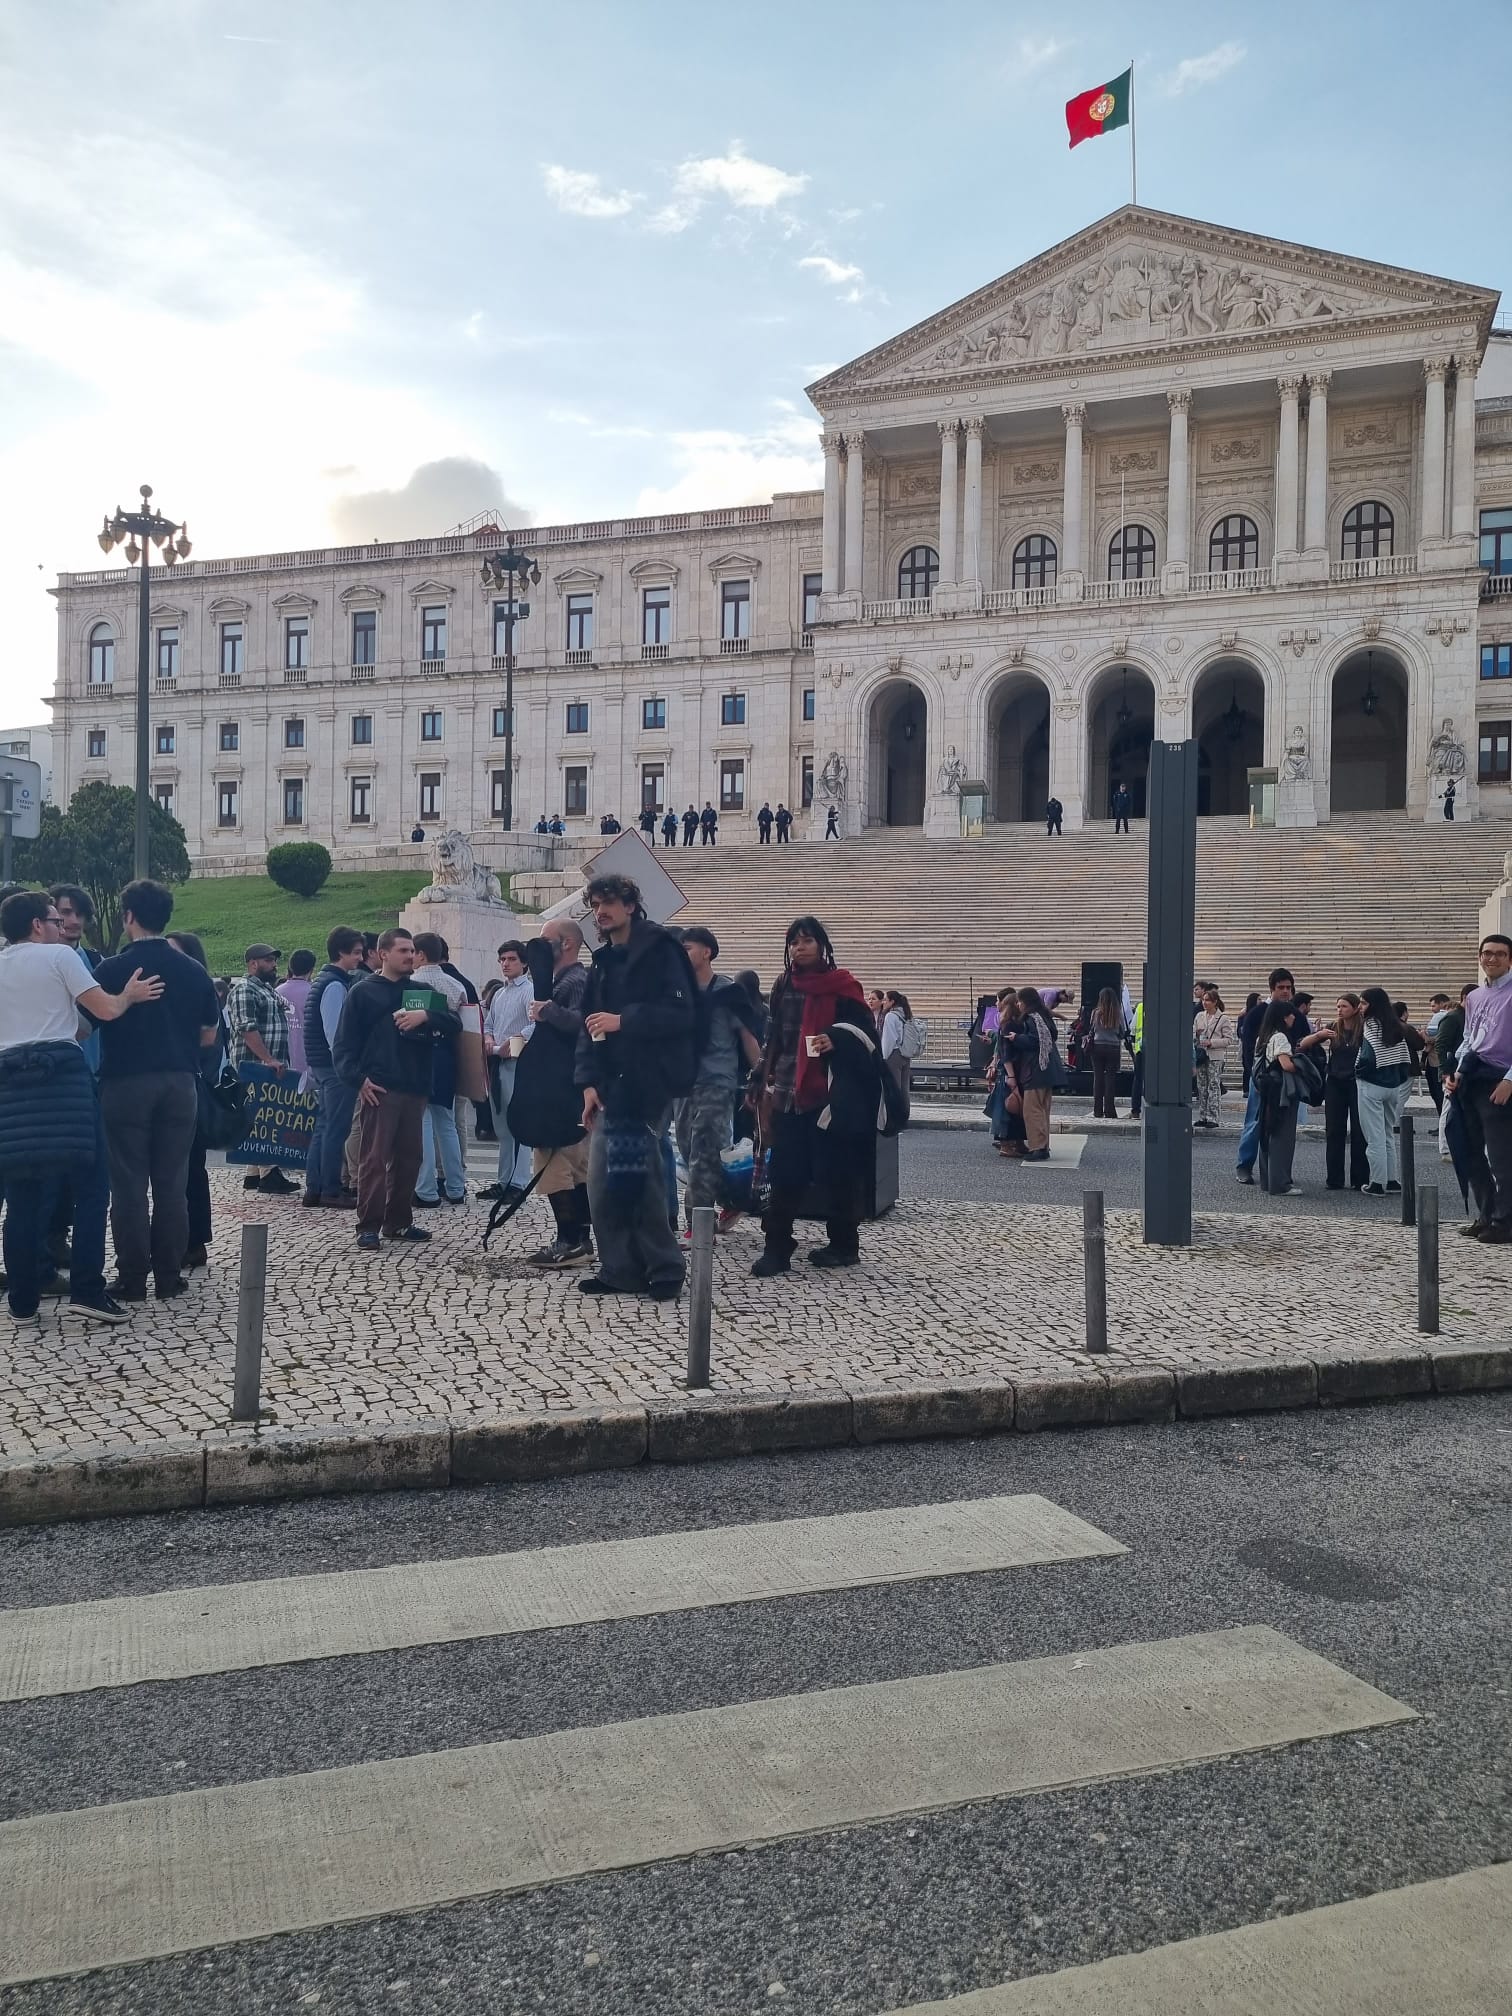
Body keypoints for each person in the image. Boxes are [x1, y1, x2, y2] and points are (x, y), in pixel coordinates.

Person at [0, 890, 163, 1323]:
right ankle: (88, 1289)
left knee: (22, 1195)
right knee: (91, 1185)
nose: (62, 927)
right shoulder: (60, 957)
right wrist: (129, 995)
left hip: (10, 1081)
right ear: (37, 925)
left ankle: (22, 1301)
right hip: (62, 1078)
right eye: (55, 920)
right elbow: (104, 1011)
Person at [92, 879, 221, 1304]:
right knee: (172, 1183)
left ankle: (131, 1277)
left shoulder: (110, 970)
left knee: (128, 1184)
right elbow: (208, 1035)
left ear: (128, 916)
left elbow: (83, 1025)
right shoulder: (193, 970)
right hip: (180, 1082)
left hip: (125, 1081)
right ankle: (169, 1276)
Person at [573, 873, 696, 1299]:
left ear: (630, 905)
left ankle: (664, 1268)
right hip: (611, 1083)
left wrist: (624, 1020)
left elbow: (683, 1014)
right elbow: (588, 1026)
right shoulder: (603, 960)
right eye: (595, 905)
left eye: (608, 902)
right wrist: (588, 1083)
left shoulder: (662, 950)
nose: (600, 911)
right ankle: (621, 1268)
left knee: (640, 1177)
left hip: (648, 1081)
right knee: (604, 1182)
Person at [751, 916, 883, 1274]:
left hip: (830, 1097)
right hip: (788, 1093)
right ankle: (778, 1246)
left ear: (822, 945)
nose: (800, 947)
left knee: (836, 1173)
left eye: (807, 940)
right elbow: (773, 1036)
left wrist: (835, 1039)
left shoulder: (844, 986)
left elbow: (866, 1036)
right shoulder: (784, 984)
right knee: (784, 1174)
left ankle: (844, 1244)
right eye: (794, 942)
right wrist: (759, 1077)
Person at [333, 927, 460, 1251]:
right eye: (403, 950)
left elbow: (454, 1024)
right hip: (380, 1087)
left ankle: (398, 1221)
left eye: (412, 951)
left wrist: (425, 1015)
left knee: (410, 1158)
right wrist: (358, 1080)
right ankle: (368, 1226)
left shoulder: (421, 991)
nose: (410, 956)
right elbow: (344, 1044)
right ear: (384, 954)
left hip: (416, 1085)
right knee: (374, 1160)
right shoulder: (362, 992)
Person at [509, 918, 593, 1266]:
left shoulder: (576, 980)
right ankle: (580, 1240)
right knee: (575, 1166)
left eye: (546, 941)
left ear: (567, 944)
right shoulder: (566, 980)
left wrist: (548, 1011)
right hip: (566, 1084)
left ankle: (569, 1239)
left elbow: (584, 1024)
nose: (539, 947)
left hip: (563, 1088)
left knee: (555, 1164)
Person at [674, 925, 763, 1240]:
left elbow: (748, 1036)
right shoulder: (677, 991)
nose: (681, 954)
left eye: (687, 948)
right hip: (682, 1081)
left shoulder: (728, 993)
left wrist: (761, 1076)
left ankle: (697, 1227)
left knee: (704, 1153)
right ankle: (734, 1198)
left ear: (706, 952)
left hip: (716, 1081)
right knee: (688, 1150)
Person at [44, 883, 102, 1275]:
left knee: (80, 1169)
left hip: (91, 1073)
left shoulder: (95, 960)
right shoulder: (42, 963)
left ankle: (60, 1238)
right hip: (50, 1077)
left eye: (79, 913)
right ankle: (44, 1245)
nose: (73, 920)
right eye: (65, 912)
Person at [1444, 935, 1512, 1241]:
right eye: (1487, 953)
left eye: (1499, 954)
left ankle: (1505, 1221)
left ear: (1510, 959)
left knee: (1502, 1156)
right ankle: (1487, 1214)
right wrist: (1456, 1073)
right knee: (1469, 1150)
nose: (1492, 958)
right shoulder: (1475, 996)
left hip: (1499, 1078)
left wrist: (1509, 1080)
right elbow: (1470, 1039)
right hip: (1471, 1077)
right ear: (1479, 957)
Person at [166, 928, 222, 1266]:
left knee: (191, 1170)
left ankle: (194, 1241)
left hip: (193, 1087)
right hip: (179, 1086)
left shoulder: (200, 993)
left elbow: (211, 1044)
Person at [225, 943, 298, 1197]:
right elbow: (247, 1028)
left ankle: (253, 1173)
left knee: (261, 1114)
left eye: (274, 960)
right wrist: (268, 1059)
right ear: (253, 963)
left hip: (268, 1063)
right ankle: (269, 1174)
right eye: (268, 960)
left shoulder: (265, 988)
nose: (274, 965)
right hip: (254, 1064)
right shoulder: (245, 989)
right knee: (263, 1117)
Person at [302, 926, 365, 1209]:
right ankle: (329, 1188)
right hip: (334, 1066)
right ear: (341, 952)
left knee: (324, 1126)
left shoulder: (324, 980)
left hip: (322, 1063)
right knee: (335, 1129)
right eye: (356, 953)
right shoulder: (335, 985)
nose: (360, 958)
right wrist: (346, 1063)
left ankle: (315, 1188)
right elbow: (334, 1033)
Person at [410, 931, 469, 1208]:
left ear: (421, 955)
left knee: (422, 1122)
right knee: (447, 1123)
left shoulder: (411, 983)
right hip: (446, 1055)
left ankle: (426, 1189)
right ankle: (456, 1187)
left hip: (419, 1054)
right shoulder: (455, 985)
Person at [1236, 970, 1307, 1183]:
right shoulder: (1257, 1013)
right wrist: (1253, 1074)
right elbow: (1248, 1046)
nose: (1285, 991)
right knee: (1255, 1121)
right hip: (1262, 1075)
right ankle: (1244, 1165)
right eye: (1280, 987)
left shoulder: (1296, 1015)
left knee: (1281, 1127)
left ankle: (1277, 1171)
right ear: (1272, 989)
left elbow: (1302, 1041)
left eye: (1288, 987)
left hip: (1285, 1079)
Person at [1298, 994, 1369, 1193]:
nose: (1340, 1010)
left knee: (1359, 1130)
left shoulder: (1364, 1028)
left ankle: (1360, 1178)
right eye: (1338, 1006)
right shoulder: (1334, 1026)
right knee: (1334, 1130)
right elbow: (1302, 1045)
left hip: (1357, 1082)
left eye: (1344, 1006)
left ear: (1355, 1008)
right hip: (1335, 1082)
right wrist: (1319, 1035)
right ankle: (1334, 1178)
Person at [481, 939, 534, 1203]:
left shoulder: (529, 991)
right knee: (502, 1127)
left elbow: (534, 1026)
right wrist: (489, 1039)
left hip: (519, 1064)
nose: (505, 964)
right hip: (498, 1063)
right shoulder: (500, 994)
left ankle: (518, 1183)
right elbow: (489, 1024)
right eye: (502, 959)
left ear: (524, 963)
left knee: (518, 1125)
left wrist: (511, 1045)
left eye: (511, 959)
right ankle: (504, 1181)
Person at [1354, 988, 1413, 1196]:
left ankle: (1377, 1182)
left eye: (1364, 1003)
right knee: (1388, 1133)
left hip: (1371, 1084)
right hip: (1393, 1085)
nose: (1360, 1007)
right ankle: (1391, 1179)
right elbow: (1404, 1055)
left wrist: (1358, 1070)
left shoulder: (1370, 1024)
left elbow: (1368, 1056)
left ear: (1373, 1005)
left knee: (1374, 1136)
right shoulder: (1395, 1024)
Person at [1005, 986, 1062, 1162]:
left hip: (1036, 1069)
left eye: (1020, 1002)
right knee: (1043, 1110)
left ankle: (1038, 1147)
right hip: (1047, 1069)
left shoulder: (1032, 1018)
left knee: (1032, 1110)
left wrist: (1017, 1038)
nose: (1018, 1005)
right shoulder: (1044, 1015)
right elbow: (1051, 1036)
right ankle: (1043, 1145)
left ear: (1026, 1002)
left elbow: (1035, 1041)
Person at [1255, 997, 1304, 1196]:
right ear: (1283, 1017)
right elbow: (1286, 1065)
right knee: (1282, 1136)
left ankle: (1268, 1180)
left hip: (1267, 1088)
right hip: (1281, 1090)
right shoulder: (1281, 1037)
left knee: (1267, 1132)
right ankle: (1281, 1183)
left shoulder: (1264, 1036)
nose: (1294, 1017)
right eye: (1291, 1014)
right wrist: (1302, 1065)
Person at [986, 989, 1027, 1159]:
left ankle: (1016, 1141)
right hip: (1010, 1071)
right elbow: (1006, 1053)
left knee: (1014, 1106)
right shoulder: (1009, 1025)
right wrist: (1011, 1076)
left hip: (1014, 1070)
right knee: (1009, 1107)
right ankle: (1007, 1144)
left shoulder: (1011, 1024)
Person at [1192, 988, 1233, 1130]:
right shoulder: (1199, 1016)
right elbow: (1193, 1034)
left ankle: (1213, 1117)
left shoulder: (1223, 1018)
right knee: (1201, 1086)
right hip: (1201, 1054)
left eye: (1208, 1000)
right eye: (1203, 1000)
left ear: (1215, 1002)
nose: (1205, 1003)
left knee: (1213, 1085)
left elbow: (1228, 1039)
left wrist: (1212, 1042)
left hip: (1215, 1056)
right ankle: (1202, 1116)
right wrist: (1197, 1035)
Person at [1089, 985, 1129, 1121]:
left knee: (1098, 1077)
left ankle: (1097, 1110)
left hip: (1097, 1047)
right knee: (1110, 1079)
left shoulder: (1095, 1013)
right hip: (1113, 1048)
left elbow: (1092, 1029)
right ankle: (1110, 1110)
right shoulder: (1118, 1013)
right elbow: (1122, 1032)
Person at [277, 950, 317, 1082]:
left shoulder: (276, 992)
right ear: (311, 970)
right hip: (308, 1061)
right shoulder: (314, 993)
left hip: (280, 1060)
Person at [880, 989, 916, 1103]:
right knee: (904, 1088)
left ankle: (895, 1112)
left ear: (892, 1002)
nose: (883, 1002)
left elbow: (889, 1039)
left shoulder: (891, 1016)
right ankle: (904, 1110)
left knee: (894, 1087)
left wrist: (884, 1057)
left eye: (885, 1000)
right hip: (905, 1053)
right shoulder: (905, 1014)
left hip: (894, 1054)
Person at [1423, 994, 1452, 1112]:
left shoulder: (1444, 1017)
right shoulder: (1440, 1017)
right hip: (1433, 1061)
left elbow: (1434, 1039)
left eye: (1433, 1006)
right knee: (1436, 1093)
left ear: (1442, 1004)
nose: (1432, 1009)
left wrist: (1424, 1036)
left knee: (1438, 1094)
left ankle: (1443, 1119)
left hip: (1438, 1062)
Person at [1239, 990, 1262, 1096]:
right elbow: (1240, 1031)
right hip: (1248, 1045)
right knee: (1247, 1067)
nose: (1261, 1001)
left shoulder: (1261, 1014)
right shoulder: (1244, 1015)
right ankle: (1246, 1089)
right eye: (1259, 999)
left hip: (1257, 1044)